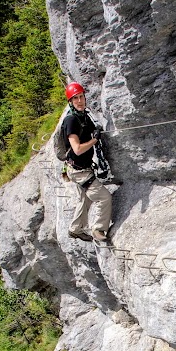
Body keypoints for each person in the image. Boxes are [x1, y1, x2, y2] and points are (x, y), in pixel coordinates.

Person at [62, 82, 112, 243]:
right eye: (75, 98)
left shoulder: (83, 115)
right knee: (104, 197)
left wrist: (95, 130)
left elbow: (90, 128)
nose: (79, 101)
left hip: (79, 168)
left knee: (85, 198)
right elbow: (77, 149)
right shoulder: (71, 121)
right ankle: (98, 229)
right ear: (71, 102)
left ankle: (75, 229)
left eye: (81, 96)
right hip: (79, 170)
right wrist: (94, 139)